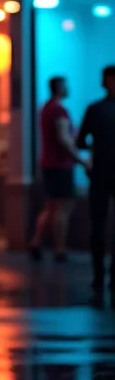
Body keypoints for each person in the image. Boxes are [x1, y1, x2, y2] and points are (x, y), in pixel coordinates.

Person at [29, 76, 87, 263]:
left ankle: (36, 242)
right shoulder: (58, 110)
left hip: (49, 164)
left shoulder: (46, 108)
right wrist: (81, 160)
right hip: (60, 165)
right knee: (62, 207)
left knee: (51, 206)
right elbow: (63, 139)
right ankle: (59, 249)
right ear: (59, 88)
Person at [78, 66, 115, 297]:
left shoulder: (96, 109)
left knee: (98, 225)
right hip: (101, 172)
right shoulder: (95, 109)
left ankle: (100, 275)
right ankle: (101, 274)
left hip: (101, 171)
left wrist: (97, 149)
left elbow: (81, 141)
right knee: (98, 226)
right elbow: (81, 141)